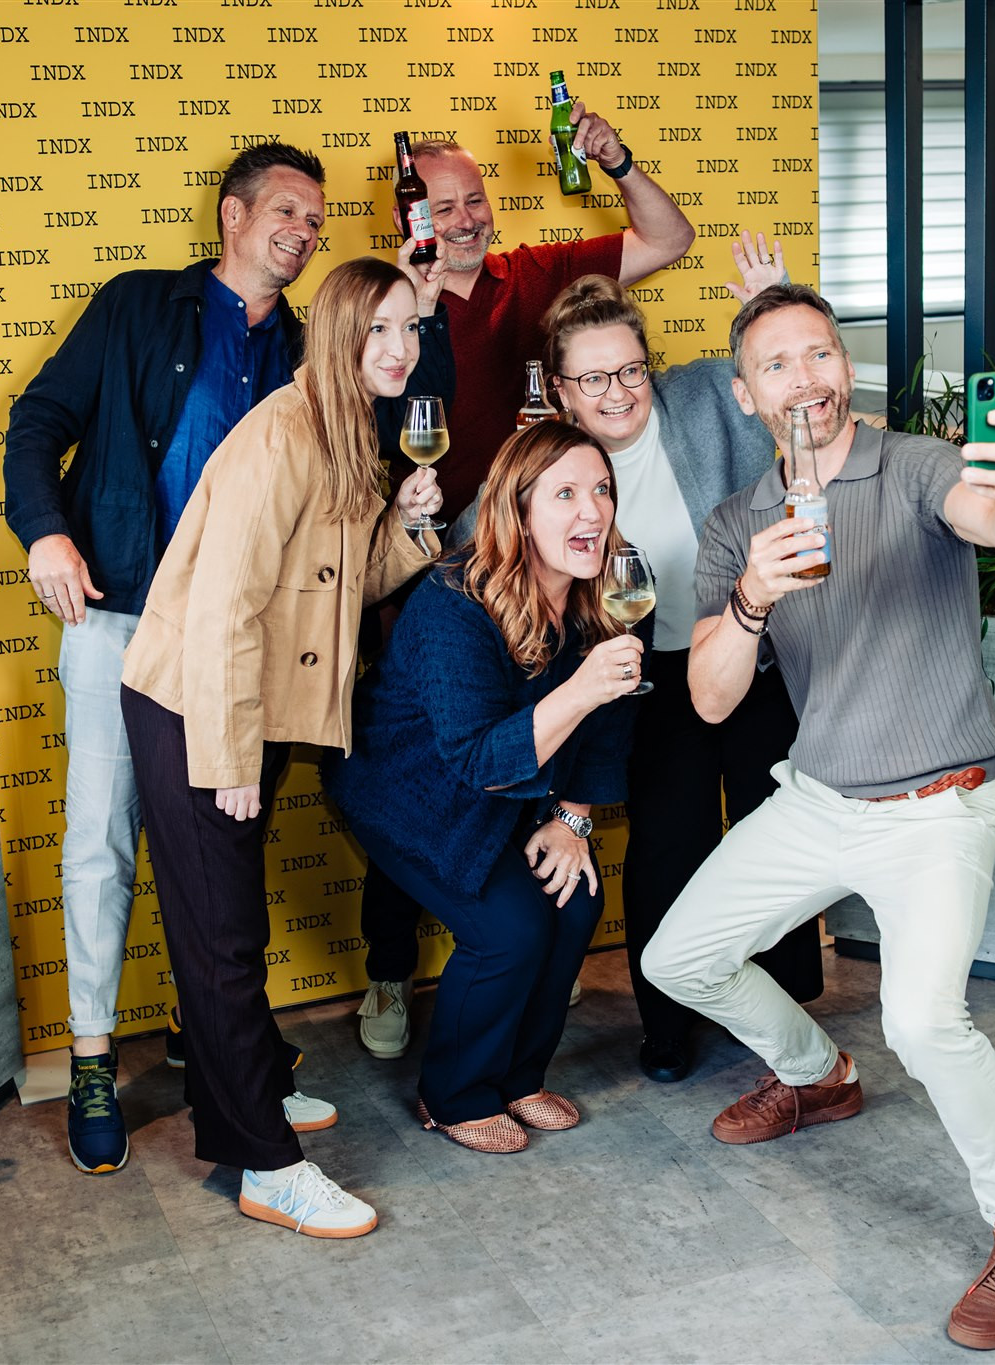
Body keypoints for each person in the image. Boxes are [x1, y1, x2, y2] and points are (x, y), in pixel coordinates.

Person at [2, 139, 452, 1176]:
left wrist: (413, 517)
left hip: (248, 655)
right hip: (131, 617)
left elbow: (332, 544)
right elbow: (38, 419)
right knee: (103, 844)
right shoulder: (138, 307)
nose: (303, 230)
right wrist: (45, 530)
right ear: (232, 214)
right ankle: (92, 1057)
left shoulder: (312, 356)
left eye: (316, 220)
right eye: (285, 210)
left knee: (217, 877)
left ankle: (215, 1058)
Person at [639, 284, 995, 1351]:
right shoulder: (736, 523)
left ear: (845, 366)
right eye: (777, 364)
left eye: (820, 354)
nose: (806, 379)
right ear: (745, 395)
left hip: (939, 808)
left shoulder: (914, 466)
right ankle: (816, 1076)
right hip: (821, 799)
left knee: (921, 1022)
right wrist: (752, 599)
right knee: (676, 958)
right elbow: (710, 700)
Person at [353, 104, 694, 1059]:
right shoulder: (391, 309)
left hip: (551, 571)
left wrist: (617, 160)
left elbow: (670, 238)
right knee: (426, 766)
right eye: (441, 205)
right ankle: (391, 971)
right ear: (410, 215)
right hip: (437, 577)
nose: (463, 219)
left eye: (474, 199)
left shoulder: (538, 273)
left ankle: (529, 932)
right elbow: (355, 427)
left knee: (551, 734)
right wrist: (416, 311)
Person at [117, 256, 443, 1238]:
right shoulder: (280, 436)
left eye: (410, 327)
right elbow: (223, 610)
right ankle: (265, 1164)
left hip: (244, 708)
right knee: (220, 943)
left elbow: (341, 592)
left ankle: (242, 1089)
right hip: (197, 708)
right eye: (378, 329)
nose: (400, 348)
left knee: (228, 931)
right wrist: (228, 761)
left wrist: (407, 530)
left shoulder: (348, 431)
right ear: (337, 335)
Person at [532, 237, 825, 1086]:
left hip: (748, 650)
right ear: (562, 389)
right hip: (647, 684)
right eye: (593, 378)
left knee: (777, 826)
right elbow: (480, 531)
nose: (617, 392)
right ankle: (667, 1023)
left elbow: (795, 396)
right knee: (669, 845)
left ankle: (784, 1000)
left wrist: (773, 308)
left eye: (630, 370)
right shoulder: (548, 458)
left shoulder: (700, 395)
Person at [324, 422, 642, 1153]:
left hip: (513, 791)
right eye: (565, 494)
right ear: (517, 510)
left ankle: (518, 1078)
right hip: (409, 792)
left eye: (601, 490)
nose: (592, 510)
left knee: (576, 900)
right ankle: (455, 1094)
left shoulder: (613, 590)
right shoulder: (455, 600)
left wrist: (571, 820)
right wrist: (584, 688)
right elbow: (474, 758)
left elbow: (608, 728)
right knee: (509, 930)